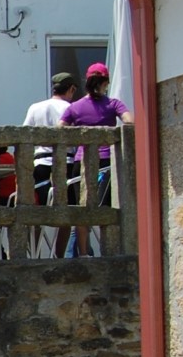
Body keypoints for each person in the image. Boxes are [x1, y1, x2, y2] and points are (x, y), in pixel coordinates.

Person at [61, 62, 134, 255]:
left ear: (87, 81)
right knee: (106, 208)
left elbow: (59, 128)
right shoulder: (113, 104)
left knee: (82, 208)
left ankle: (84, 253)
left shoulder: (74, 107)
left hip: (80, 162)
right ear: (106, 82)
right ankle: (108, 253)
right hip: (105, 164)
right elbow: (129, 121)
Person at [23, 71, 77, 257]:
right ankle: (59, 256)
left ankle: (35, 253)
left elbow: (24, 137)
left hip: (39, 164)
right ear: (71, 89)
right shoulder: (71, 108)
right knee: (65, 214)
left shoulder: (35, 108)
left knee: (37, 213)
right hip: (66, 164)